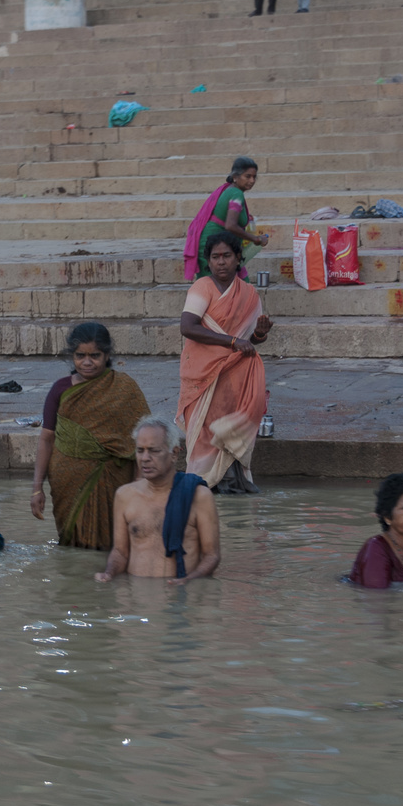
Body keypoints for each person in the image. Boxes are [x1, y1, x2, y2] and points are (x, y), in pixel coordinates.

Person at [30, 321, 152, 549]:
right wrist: (37, 488)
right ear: (72, 356)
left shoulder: (125, 388)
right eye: (80, 356)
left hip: (115, 480)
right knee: (72, 547)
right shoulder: (60, 389)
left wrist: (140, 485)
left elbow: (144, 440)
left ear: (107, 355)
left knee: (117, 546)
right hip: (67, 484)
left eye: (94, 355)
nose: (87, 362)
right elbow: (46, 439)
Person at [178, 235, 271, 493]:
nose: (221, 262)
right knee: (204, 432)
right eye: (216, 257)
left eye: (227, 256)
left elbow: (248, 342)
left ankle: (232, 486)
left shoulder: (249, 294)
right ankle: (199, 487)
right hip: (201, 373)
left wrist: (260, 334)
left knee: (228, 428)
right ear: (208, 262)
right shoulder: (202, 287)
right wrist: (232, 341)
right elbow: (188, 326)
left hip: (234, 375)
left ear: (238, 258)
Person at [98, 416, 220, 582]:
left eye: (154, 451)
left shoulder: (199, 496)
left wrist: (189, 580)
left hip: (180, 597)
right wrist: (109, 573)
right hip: (136, 595)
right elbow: (120, 552)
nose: (145, 458)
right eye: (140, 450)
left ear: (174, 453)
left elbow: (211, 556)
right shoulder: (125, 495)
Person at [183, 155, 268, 281]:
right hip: (214, 247)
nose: (252, 181)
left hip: (218, 245)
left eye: (254, 177)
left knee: (237, 286)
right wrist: (256, 239)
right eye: (247, 176)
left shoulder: (230, 190)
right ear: (235, 177)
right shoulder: (236, 194)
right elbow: (230, 225)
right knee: (214, 289)